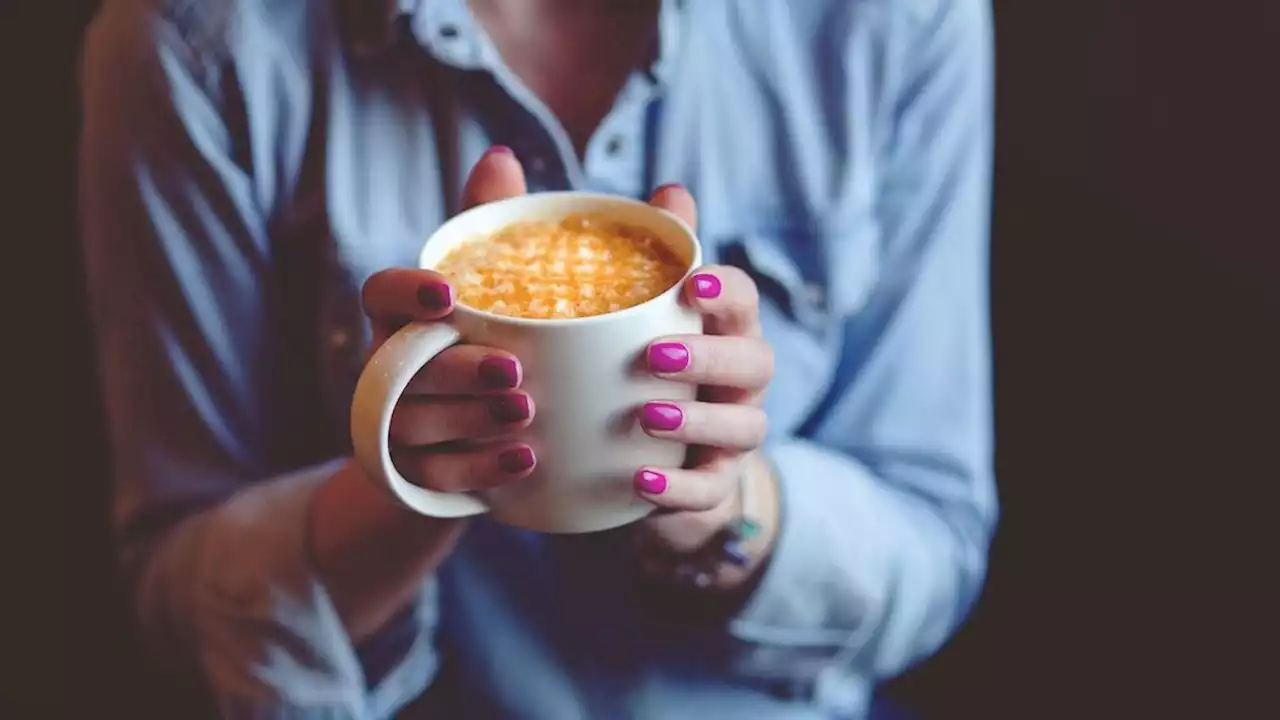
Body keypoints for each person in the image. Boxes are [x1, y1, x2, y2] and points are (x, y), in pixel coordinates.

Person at [78, 0, 996, 717]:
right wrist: (409, 489)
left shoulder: (892, 25)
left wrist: (727, 508)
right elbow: (175, 595)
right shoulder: (198, 45)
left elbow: (936, 535)